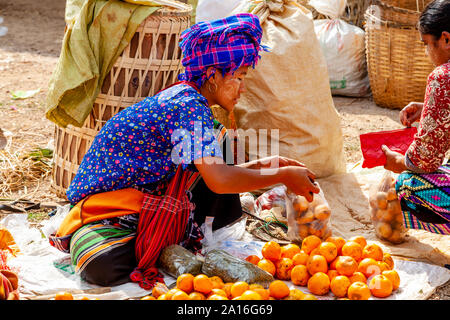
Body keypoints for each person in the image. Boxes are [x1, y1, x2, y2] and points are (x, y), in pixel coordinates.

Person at [49, 13, 320, 287]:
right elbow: (220, 179)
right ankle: (158, 238)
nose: (242, 88)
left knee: (219, 143)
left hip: (146, 196)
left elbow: (215, 171)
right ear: (213, 76)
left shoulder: (187, 98)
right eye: (238, 78)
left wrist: (271, 165)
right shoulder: (188, 106)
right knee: (100, 266)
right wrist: (282, 175)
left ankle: (170, 236)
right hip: (107, 209)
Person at [382, 0, 449, 235]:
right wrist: (430, 108)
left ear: (446, 39)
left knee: (407, 186)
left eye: (426, 44)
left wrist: (398, 163)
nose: (426, 51)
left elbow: (425, 160)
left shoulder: (443, 76)